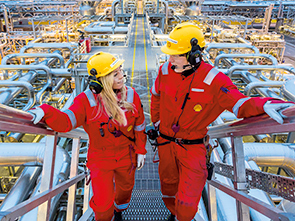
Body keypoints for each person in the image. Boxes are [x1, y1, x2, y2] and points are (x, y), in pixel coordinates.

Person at [150, 22, 294, 221]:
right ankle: (172, 212)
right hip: (165, 144)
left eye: (176, 54)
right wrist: (156, 123)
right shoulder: (165, 70)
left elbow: (239, 104)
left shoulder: (213, 80)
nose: (170, 58)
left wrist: (266, 104)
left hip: (192, 149)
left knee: (188, 201)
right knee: (167, 185)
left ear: (194, 55)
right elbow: (156, 96)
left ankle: (181, 217)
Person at [29, 52, 147, 221]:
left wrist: (141, 150)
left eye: (120, 71)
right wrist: (45, 110)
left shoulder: (131, 95)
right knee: (102, 202)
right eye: (115, 74)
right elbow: (66, 122)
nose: (122, 76)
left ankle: (119, 210)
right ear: (101, 81)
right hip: (100, 158)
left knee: (125, 190)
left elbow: (139, 125)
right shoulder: (86, 101)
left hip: (126, 155)